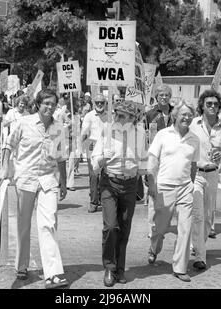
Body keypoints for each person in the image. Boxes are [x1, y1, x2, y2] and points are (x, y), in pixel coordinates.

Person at [0, 88, 69, 289]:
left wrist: (63, 182)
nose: (50, 107)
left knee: (48, 224)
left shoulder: (59, 128)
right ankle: (22, 265)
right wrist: (5, 166)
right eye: (46, 103)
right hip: (26, 179)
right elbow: (8, 144)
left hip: (48, 180)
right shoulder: (23, 122)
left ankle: (53, 274)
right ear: (38, 104)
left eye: (53, 104)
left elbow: (61, 157)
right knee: (24, 225)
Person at [91, 100, 148, 287]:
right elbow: (94, 161)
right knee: (110, 226)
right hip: (109, 182)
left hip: (130, 185)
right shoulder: (107, 131)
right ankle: (109, 266)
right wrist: (102, 159)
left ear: (132, 118)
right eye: (116, 114)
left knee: (124, 228)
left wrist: (148, 179)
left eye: (122, 115)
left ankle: (119, 269)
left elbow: (143, 159)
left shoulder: (140, 133)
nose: (116, 117)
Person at [147, 100, 199, 282]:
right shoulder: (163, 134)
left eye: (190, 115)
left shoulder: (194, 139)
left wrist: (190, 185)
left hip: (185, 188)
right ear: (175, 115)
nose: (187, 117)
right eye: (184, 114)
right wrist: (151, 184)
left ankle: (180, 267)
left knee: (185, 228)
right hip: (163, 188)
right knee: (160, 227)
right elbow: (152, 160)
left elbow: (193, 166)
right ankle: (154, 248)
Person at [190, 89, 221, 270]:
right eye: (209, 104)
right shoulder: (193, 124)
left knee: (208, 216)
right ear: (202, 105)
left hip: (214, 173)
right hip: (196, 175)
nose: (212, 107)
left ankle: (198, 243)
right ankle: (200, 256)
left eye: (216, 104)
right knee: (198, 215)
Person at [145, 84, 175, 236]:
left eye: (167, 95)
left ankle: (164, 222)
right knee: (153, 192)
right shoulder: (150, 114)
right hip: (155, 157)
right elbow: (144, 137)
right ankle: (152, 227)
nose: (164, 97)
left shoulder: (176, 113)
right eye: (161, 95)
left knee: (170, 193)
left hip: (172, 159)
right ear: (156, 97)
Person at [81, 93, 109, 213]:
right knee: (93, 176)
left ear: (105, 103)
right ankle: (93, 202)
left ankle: (103, 200)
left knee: (105, 175)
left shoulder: (110, 116)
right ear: (93, 103)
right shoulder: (89, 116)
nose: (99, 104)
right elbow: (83, 134)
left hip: (106, 148)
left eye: (102, 102)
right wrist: (86, 148)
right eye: (97, 102)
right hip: (92, 148)